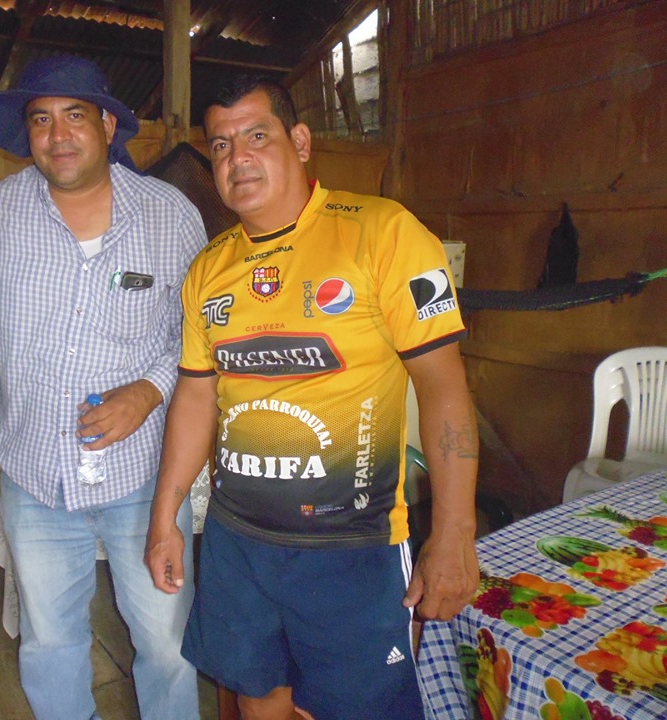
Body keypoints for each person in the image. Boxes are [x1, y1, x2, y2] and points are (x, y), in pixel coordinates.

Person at [145, 75, 481, 720]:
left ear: (299, 142)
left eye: (257, 136)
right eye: (221, 145)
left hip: (352, 546)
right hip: (237, 542)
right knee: (256, 699)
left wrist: (454, 533)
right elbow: (195, 396)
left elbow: (442, 384)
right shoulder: (209, 268)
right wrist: (165, 516)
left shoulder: (383, 232)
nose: (238, 158)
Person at [0, 55, 207, 720]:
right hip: (36, 473)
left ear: (107, 125)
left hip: (143, 476)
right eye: (41, 120)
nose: (57, 134)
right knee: (50, 642)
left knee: (167, 643)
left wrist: (148, 391)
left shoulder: (170, 215)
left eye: (74, 116)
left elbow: (200, 333)